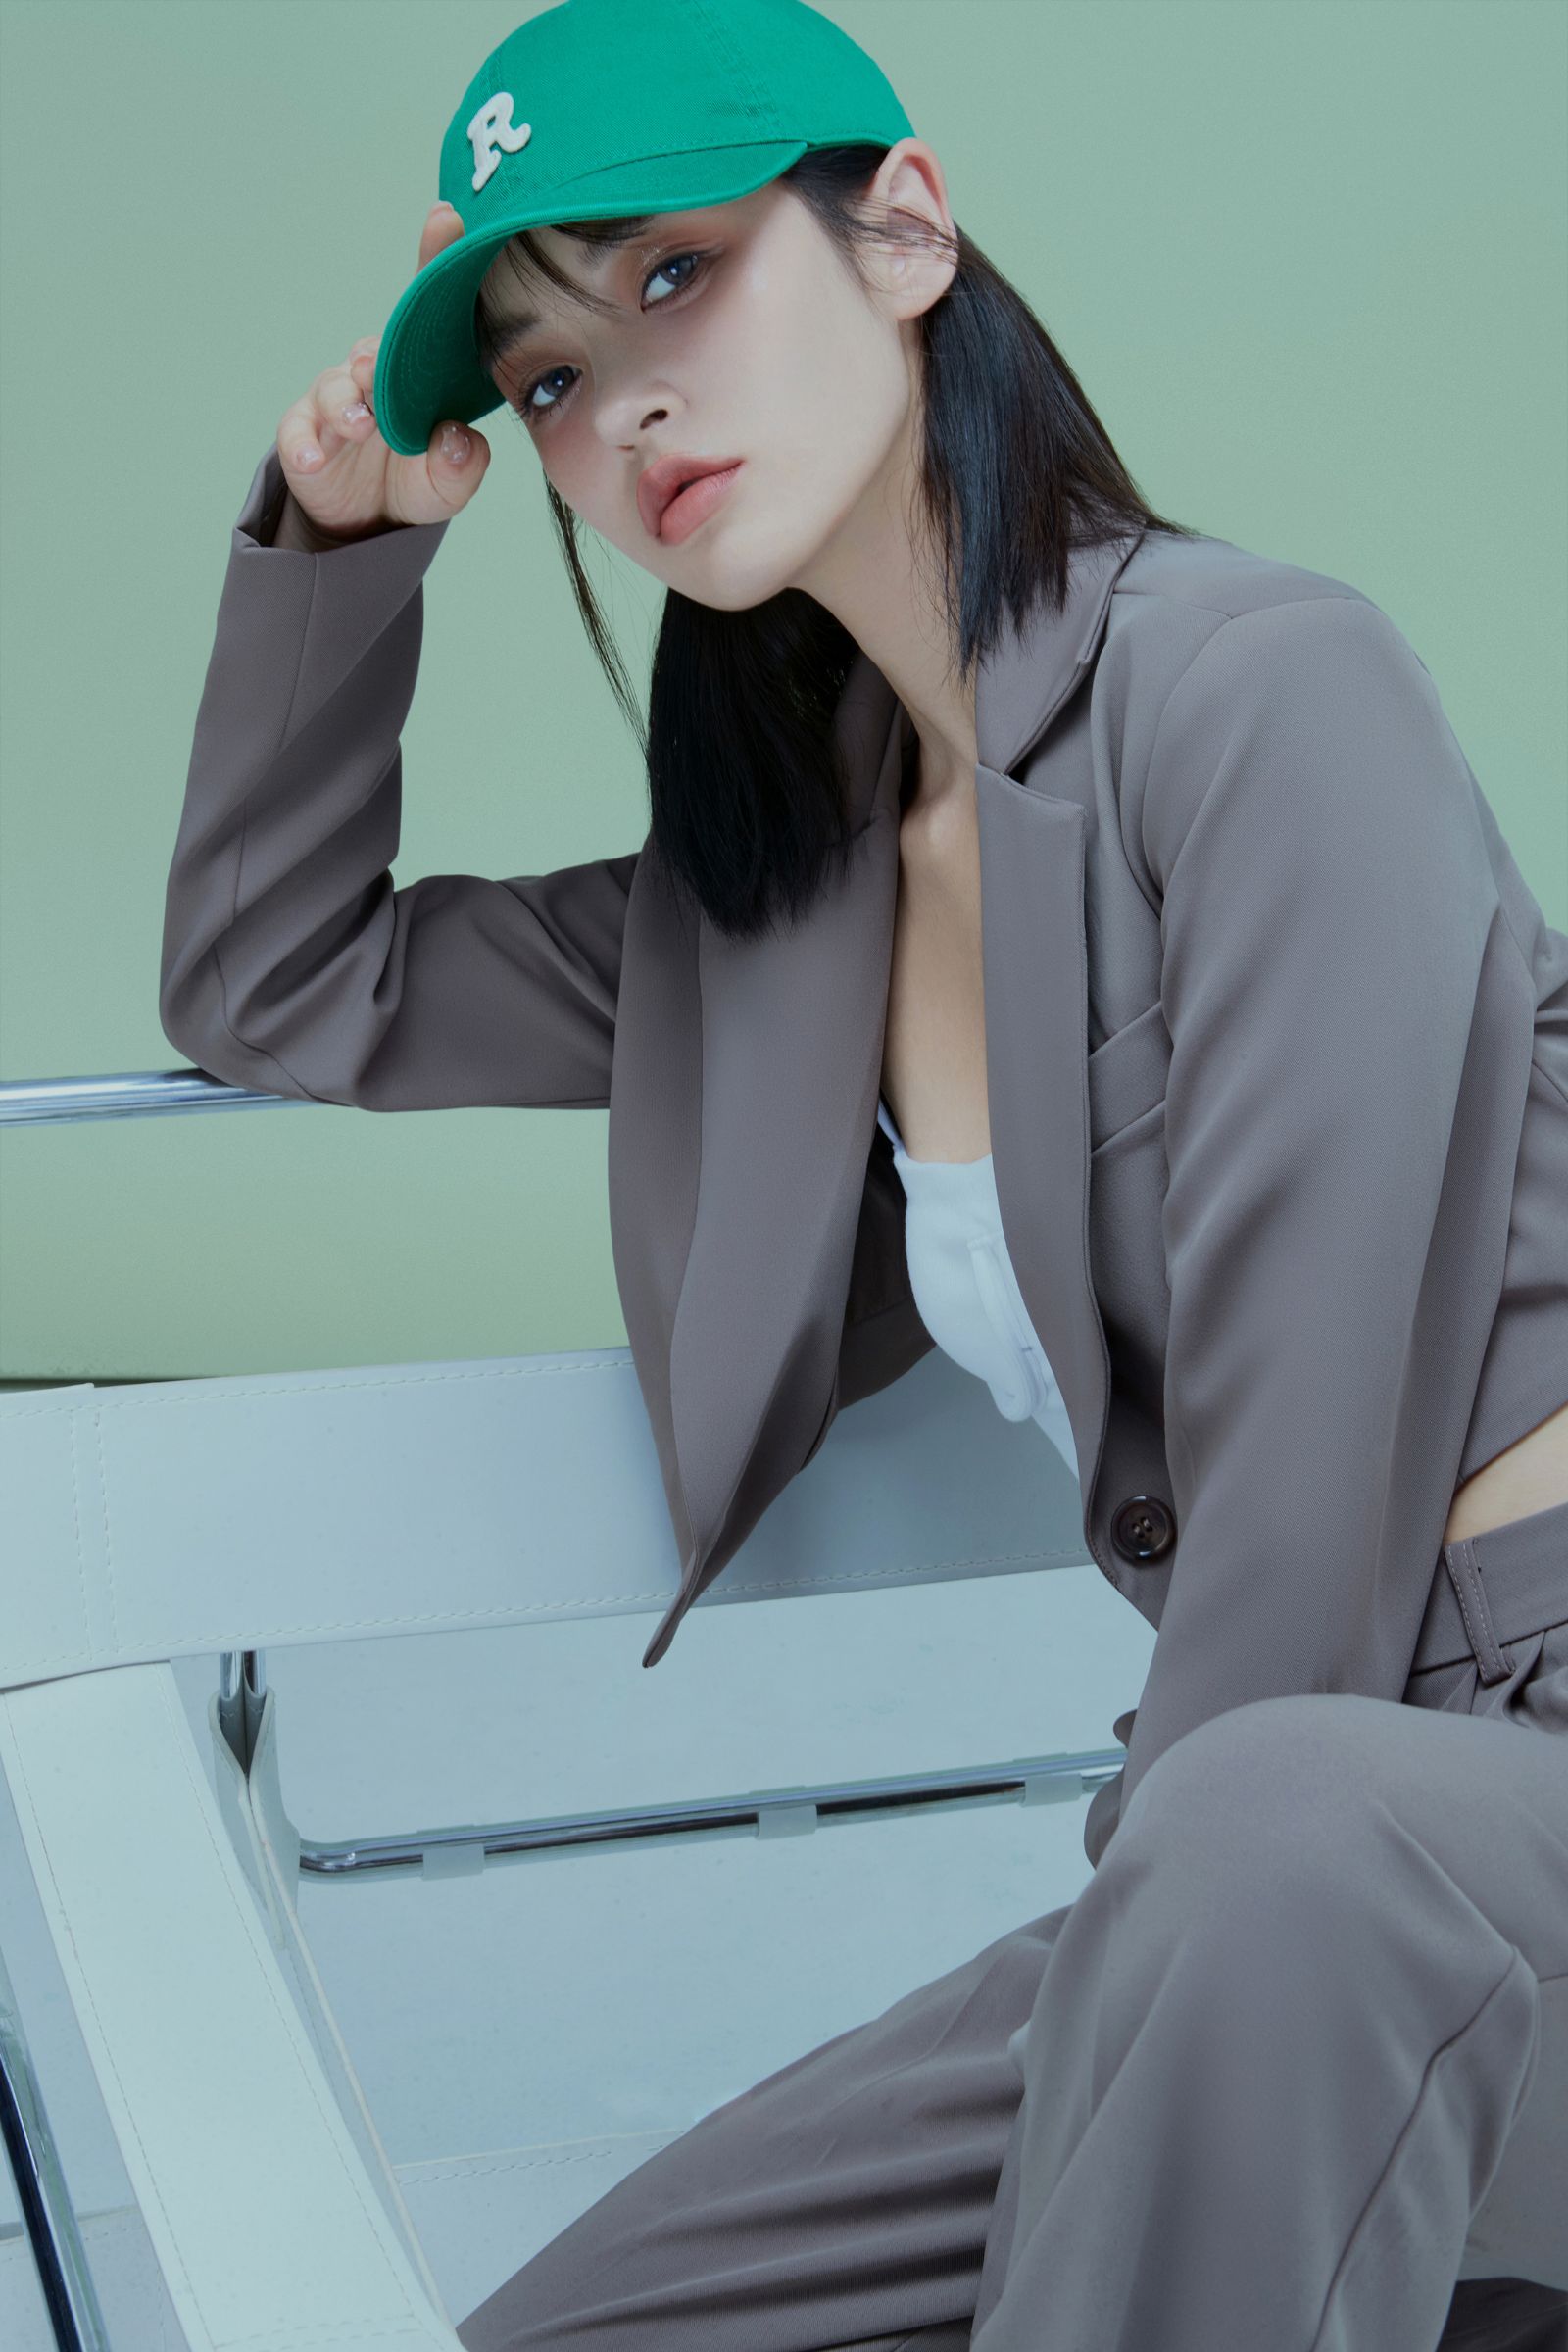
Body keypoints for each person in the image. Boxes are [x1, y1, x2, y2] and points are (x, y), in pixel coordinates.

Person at [159, 2, 1568, 2344]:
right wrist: (343, 533)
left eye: (672, 276)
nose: (620, 407)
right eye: (543, 375)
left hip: (1384, 1809)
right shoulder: (780, 913)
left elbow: (1303, 1517)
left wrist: (1165, 1922)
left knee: (1257, 1858)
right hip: (1262, 1862)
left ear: (902, 232)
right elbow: (273, 980)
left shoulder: (1261, 690)